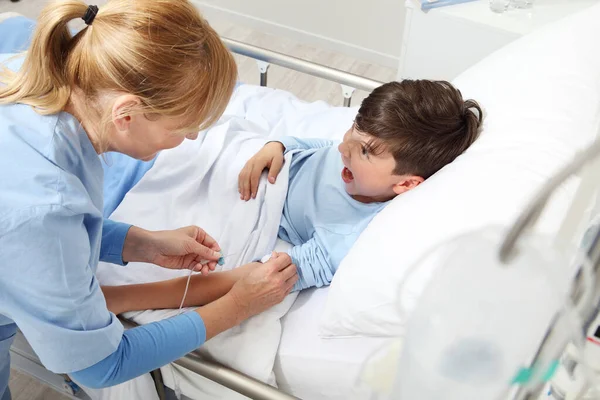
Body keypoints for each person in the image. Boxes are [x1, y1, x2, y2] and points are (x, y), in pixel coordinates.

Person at [0, 0, 297, 398]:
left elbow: (19, 234)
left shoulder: (34, 84)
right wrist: (237, 306)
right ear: (126, 113)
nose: (191, 138)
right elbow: (101, 366)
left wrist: (139, 244)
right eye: (183, 126)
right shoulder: (45, 205)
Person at [99, 80, 482, 315]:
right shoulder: (358, 160)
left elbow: (252, 279)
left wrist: (123, 297)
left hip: (255, 206)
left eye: (365, 150)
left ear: (407, 185)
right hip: (253, 161)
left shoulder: (345, 236)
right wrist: (278, 143)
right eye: (353, 128)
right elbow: (321, 145)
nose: (345, 148)